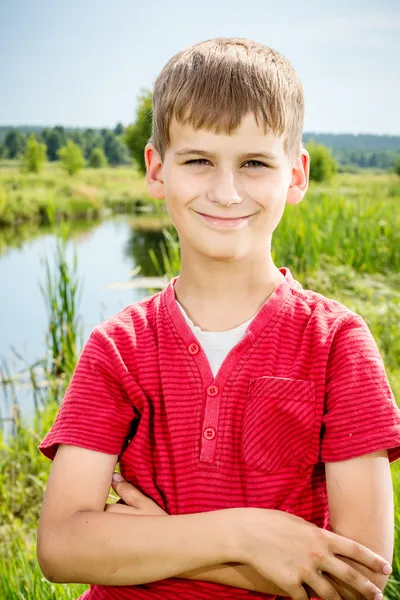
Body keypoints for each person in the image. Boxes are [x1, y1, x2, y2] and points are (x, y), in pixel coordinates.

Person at [36, 37, 400, 600]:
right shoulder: (118, 347)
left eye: (254, 163)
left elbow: (358, 578)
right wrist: (245, 534)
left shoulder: (337, 344)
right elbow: (61, 546)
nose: (226, 192)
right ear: (157, 172)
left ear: (296, 175)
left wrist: (161, 543)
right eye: (198, 160)